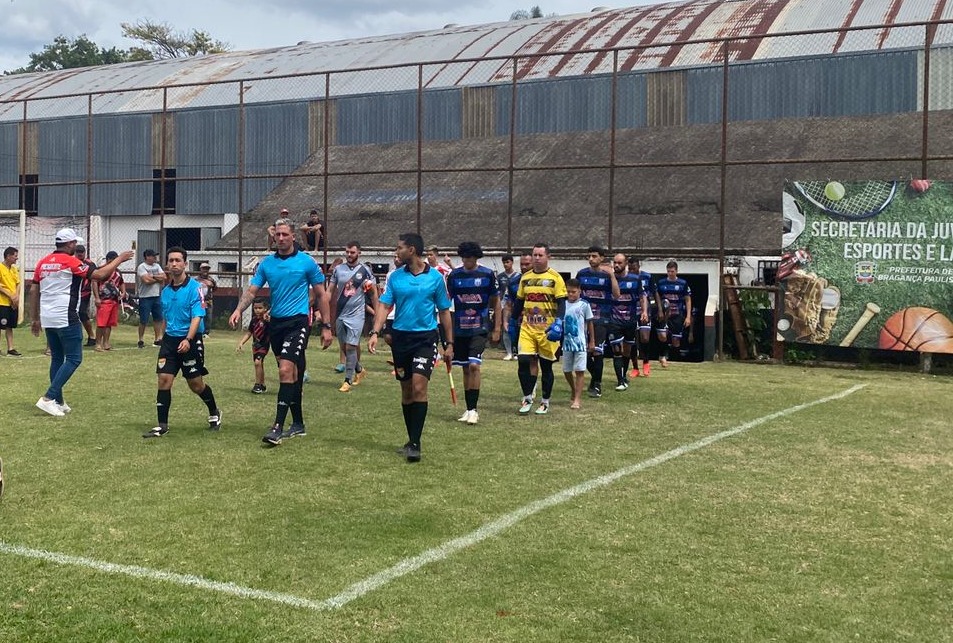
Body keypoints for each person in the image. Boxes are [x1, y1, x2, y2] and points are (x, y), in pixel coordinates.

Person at [229, 217, 333, 445]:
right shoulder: (267, 264)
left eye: (285, 234)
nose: (281, 238)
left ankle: (277, 426)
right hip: (276, 324)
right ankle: (298, 424)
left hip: (297, 323)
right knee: (292, 375)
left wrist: (326, 326)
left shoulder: (306, 262)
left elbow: (322, 294)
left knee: (285, 371)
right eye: (278, 235)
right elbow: (252, 291)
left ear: (293, 236)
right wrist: (238, 309)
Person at [368, 232, 453, 463]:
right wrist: (375, 332)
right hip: (401, 339)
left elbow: (444, 312)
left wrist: (449, 344)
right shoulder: (395, 277)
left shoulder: (435, 278)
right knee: (406, 391)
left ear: (412, 250)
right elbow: (385, 306)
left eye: (399, 248)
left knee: (418, 387)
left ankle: (416, 443)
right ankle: (410, 438)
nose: (397, 252)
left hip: (425, 339)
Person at [30, 228, 133, 417]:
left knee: (57, 358)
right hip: (66, 315)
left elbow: (33, 290)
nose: (76, 247)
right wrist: (120, 259)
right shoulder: (71, 262)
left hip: (48, 317)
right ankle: (48, 398)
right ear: (70, 244)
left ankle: (58, 401)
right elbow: (100, 275)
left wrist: (34, 318)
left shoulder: (42, 262)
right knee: (74, 358)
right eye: (75, 244)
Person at [143, 247, 221, 438]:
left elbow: (197, 316)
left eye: (178, 260)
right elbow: (166, 318)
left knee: (195, 384)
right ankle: (162, 425)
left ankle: (214, 412)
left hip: (190, 341)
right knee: (164, 380)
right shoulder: (166, 291)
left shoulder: (196, 288)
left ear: (185, 263)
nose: (174, 264)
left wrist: (188, 339)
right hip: (170, 341)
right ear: (167, 264)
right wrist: (161, 337)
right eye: (171, 261)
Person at [446, 241, 501, 425]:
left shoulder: (486, 275)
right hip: (460, 329)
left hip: (480, 327)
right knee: (464, 368)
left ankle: (475, 410)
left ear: (476, 258)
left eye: (469, 258)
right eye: (463, 258)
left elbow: (496, 302)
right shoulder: (454, 276)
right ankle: (468, 409)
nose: (466, 261)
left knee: (474, 366)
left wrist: (497, 327)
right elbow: (447, 304)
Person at [512, 243, 567, 415]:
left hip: (547, 329)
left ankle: (545, 401)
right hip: (528, 327)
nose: (536, 258)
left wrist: (559, 321)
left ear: (548, 256)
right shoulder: (525, 277)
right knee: (523, 361)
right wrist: (511, 320)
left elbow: (562, 303)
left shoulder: (555, 278)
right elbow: (519, 301)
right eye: (534, 255)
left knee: (546, 366)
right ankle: (527, 397)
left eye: (540, 255)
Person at [328, 241, 378, 392]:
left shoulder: (365, 270)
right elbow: (330, 290)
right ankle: (359, 369)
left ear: (359, 253)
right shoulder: (338, 270)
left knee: (351, 346)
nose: (349, 255)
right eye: (347, 252)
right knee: (344, 347)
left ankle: (347, 380)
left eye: (352, 252)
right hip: (341, 313)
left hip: (357, 314)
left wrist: (377, 313)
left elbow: (374, 293)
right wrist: (322, 307)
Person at [575, 246, 619, 398]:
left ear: (602, 258)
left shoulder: (607, 275)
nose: (591, 259)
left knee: (597, 351)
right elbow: (575, 294)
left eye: (594, 256)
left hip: (601, 318)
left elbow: (617, 295)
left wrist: (613, 276)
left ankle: (597, 385)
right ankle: (595, 378)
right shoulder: (582, 274)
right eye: (589, 256)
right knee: (583, 352)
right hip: (583, 320)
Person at [608, 253, 649, 391]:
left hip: (630, 320)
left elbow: (642, 296)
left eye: (620, 263)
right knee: (616, 350)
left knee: (627, 350)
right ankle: (620, 381)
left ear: (625, 264)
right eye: (615, 263)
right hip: (614, 320)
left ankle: (623, 375)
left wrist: (644, 311)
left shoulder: (635, 279)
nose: (617, 265)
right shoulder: (610, 279)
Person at [562, 278, 595, 410]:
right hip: (567, 342)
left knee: (580, 370)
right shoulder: (563, 304)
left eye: (573, 292)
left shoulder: (584, 305)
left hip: (580, 343)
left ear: (579, 291)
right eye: (568, 291)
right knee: (566, 370)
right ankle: (573, 388)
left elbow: (590, 322)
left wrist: (591, 341)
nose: (570, 294)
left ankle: (577, 399)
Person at [656, 260, 693, 367]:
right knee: (663, 336)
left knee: (676, 340)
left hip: (677, 314)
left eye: (672, 271)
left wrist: (688, 317)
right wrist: (659, 310)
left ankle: (674, 360)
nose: (670, 273)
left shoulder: (682, 283)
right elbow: (657, 296)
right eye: (668, 271)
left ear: (676, 271)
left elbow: (687, 299)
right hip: (664, 315)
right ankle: (662, 356)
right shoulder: (661, 283)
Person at [628, 257, 658, 377]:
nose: (631, 271)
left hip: (644, 310)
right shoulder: (626, 279)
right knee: (632, 340)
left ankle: (646, 362)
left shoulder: (647, 277)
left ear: (638, 266)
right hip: (630, 311)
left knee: (645, 338)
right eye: (629, 269)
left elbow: (654, 293)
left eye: (634, 268)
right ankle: (635, 367)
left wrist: (659, 309)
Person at [92, 250, 126, 351]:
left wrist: (123, 292)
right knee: (101, 323)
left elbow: (121, 282)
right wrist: (97, 297)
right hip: (104, 299)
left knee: (109, 323)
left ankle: (106, 342)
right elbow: (94, 282)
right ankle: (98, 343)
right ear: (108, 260)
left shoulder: (117, 271)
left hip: (114, 300)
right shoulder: (101, 270)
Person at [236, 297, 271, 393]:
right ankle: (263, 384)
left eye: (260, 308)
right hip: (255, 345)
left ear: (265, 309)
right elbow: (249, 332)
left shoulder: (267, 320)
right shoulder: (254, 320)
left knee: (257, 362)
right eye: (255, 308)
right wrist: (241, 342)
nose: (257, 310)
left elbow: (273, 328)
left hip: (264, 345)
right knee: (259, 364)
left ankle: (257, 384)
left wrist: (269, 320)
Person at [502, 253, 532, 362]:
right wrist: (505, 321)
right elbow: (508, 304)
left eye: (527, 264)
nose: (524, 267)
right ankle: (512, 353)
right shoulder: (514, 282)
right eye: (522, 264)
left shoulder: (543, 281)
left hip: (537, 322)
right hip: (519, 320)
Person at [136, 249, 165, 348]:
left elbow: (164, 277)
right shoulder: (142, 267)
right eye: (153, 256)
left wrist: (152, 276)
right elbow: (146, 280)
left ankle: (158, 339)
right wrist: (157, 279)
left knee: (158, 318)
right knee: (144, 319)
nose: (155, 258)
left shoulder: (157, 266)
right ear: (147, 257)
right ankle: (140, 339)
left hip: (156, 295)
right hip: (145, 297)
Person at [495, 254, 518, 360]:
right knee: (506, 328)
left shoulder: (519, 276)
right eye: (504, 262)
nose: (505, 264)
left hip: (516, 305)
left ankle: (516, 352)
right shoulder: (500, 277)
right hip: (504, 305)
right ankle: (508, 352)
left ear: (512, 262)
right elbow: (498, 294)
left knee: (517, 328)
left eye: (507, 262)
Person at [74, 245, 97, 347]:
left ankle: (91, 336)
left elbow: (95, 278)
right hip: (73, 293)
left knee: (82, 313)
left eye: (81, 252)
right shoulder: (72, 262)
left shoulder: (89, 264)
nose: (80, 254)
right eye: (78, 252)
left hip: (84, 292)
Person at [0, 246, 21, 356]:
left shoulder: (14, 269)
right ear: (8, 256)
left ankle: (11, 348)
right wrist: (10, 295)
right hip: (2, 302)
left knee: (10, 326)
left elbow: (18, 283)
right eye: (15, 256)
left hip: (13, 303)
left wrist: (16, 297)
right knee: (1, 325)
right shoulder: (0, 267)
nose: (16, 258)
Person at [193, 262, 217, 335]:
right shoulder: (196, 279)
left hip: (208, 300)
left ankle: (206, 332)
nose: (205, 270)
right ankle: (200, 331)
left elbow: (215, 288)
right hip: (200, 300)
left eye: (207, 269)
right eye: (204, 269)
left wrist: (212, 285)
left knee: (208, 316)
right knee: (201, 315)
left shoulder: (211, 279)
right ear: (200, 269)